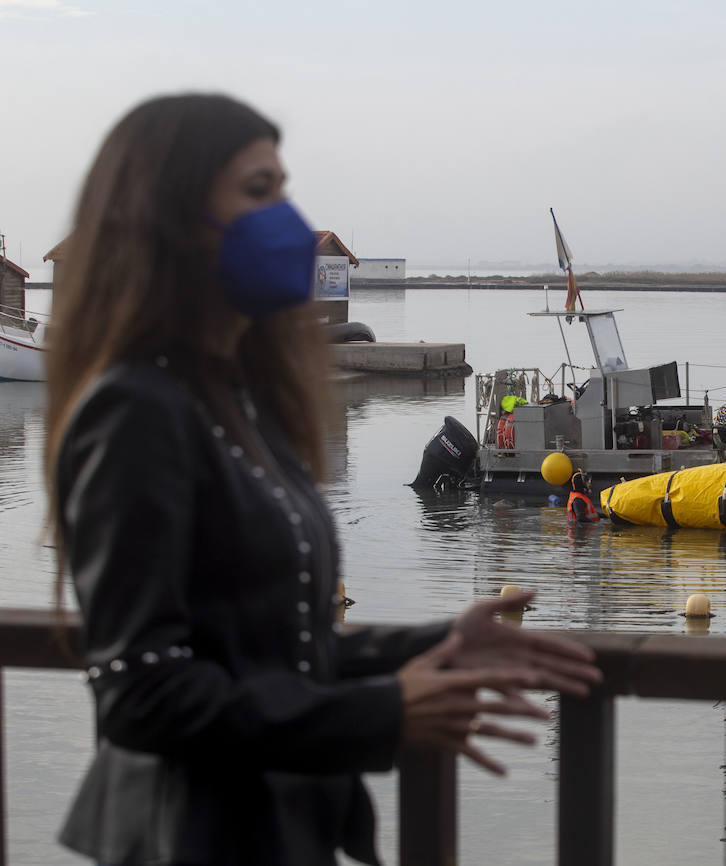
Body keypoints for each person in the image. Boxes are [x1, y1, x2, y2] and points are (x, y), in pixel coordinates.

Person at [44, 94, 602, 866]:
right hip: (185, 838)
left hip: (275, 830)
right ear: (168, 216)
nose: (286, 217)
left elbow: (270, 654)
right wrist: (382, 713)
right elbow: (142, 693)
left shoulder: (235, 397)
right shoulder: (135, 410)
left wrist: (440, 640)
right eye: (258, 189)